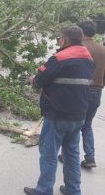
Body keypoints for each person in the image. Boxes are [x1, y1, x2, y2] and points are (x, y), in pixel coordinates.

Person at [23, 26, 94, 195]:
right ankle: (73, 190)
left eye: (59, 38)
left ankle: (44, 190)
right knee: (72, 154)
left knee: (49, 153)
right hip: (79, 115)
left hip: (57, 114)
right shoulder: (88, 60)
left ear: (64, 40)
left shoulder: (60, 58)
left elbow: (40, 80)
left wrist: (33, 79)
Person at [58, 21, 105, 169]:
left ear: (81, 33)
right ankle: (90, 157)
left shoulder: (79, 49)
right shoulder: (102, 49)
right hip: (97, 91)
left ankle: (68, 156)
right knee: (87, 125)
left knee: (75, 123)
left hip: (80, 90)